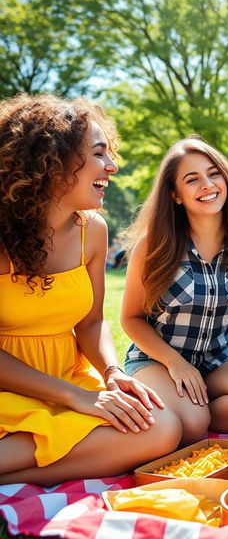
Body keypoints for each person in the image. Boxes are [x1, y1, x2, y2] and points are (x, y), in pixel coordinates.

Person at [0, 93, 181, 486]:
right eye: (99, 154)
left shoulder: (92, 232)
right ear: (50, 163)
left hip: (68, 375)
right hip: (7, 385)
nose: (111, 167)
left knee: (163, 427)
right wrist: (76, 398)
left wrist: (112, 373)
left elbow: (92, 322)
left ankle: (12, 467)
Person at [121, 137, 228, 445]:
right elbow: (131, 318)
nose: (207, 184)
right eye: (193, 179)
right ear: (175, 195)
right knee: (192, 422)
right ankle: (187, 416)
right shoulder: (153, 244)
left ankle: (190, 413)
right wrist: (175, 363)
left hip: (220, 359)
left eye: (214, 173)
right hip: (159, 361)